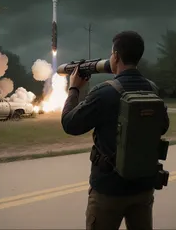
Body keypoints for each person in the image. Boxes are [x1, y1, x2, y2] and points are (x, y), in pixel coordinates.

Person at [61, 31, 170, 230]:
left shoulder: (104, 92)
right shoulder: (153, 89)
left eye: (112, 54)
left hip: (108, 191)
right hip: (143, 187)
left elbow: (70, 124)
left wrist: (74, 89)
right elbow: (163, 126)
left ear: (116, 56)